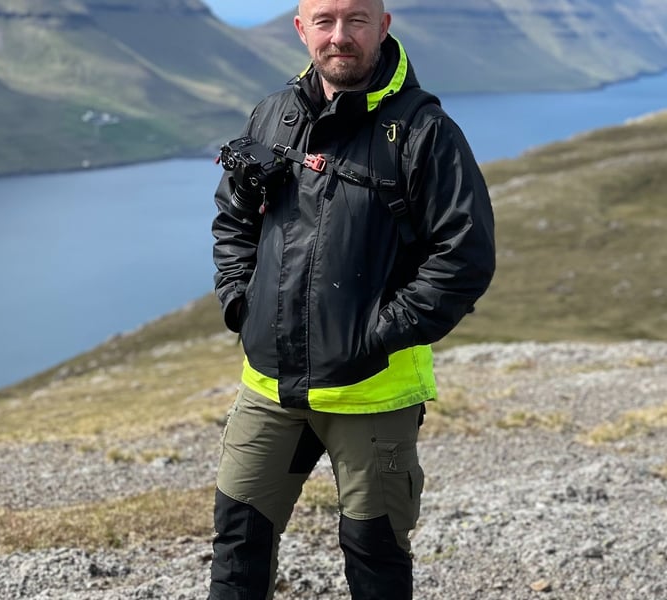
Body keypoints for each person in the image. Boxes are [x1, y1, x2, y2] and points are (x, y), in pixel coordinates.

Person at [208, 0, 495, 598]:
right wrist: (240, 302)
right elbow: (234, 220)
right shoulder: (273, 115)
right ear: (301, 29)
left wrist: (376, 335)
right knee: (238, 549)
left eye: (357, 20)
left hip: (374, 392)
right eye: (325, 21)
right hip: (268, 387)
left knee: (375, 562)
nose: (341, 37)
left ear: (383, 26)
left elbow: (464, 257)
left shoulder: (424, 131)